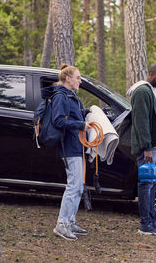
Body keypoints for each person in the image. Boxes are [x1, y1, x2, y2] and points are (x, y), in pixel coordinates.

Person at [126, 63, 156, 235]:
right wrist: (146, 147)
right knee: (146, 185)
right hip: (149, 148)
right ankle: (145, 224)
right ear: (151, 75)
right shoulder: (142, 92)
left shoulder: (153, 93)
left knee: (152, 186)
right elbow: (141, 122)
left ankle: (153, 222)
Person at [51, 64, 91, 241]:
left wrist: (88, 112)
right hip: (69, 146)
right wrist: (80, 125)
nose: (80, 81)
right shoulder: (61, 96)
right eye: (78, 77)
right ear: (68, 78)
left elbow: (74, 116)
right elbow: (58, 120)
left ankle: (70, 221)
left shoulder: (71, 96)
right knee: (73, 186)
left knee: (78, 186)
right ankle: (62, 224)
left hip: (78, 145)